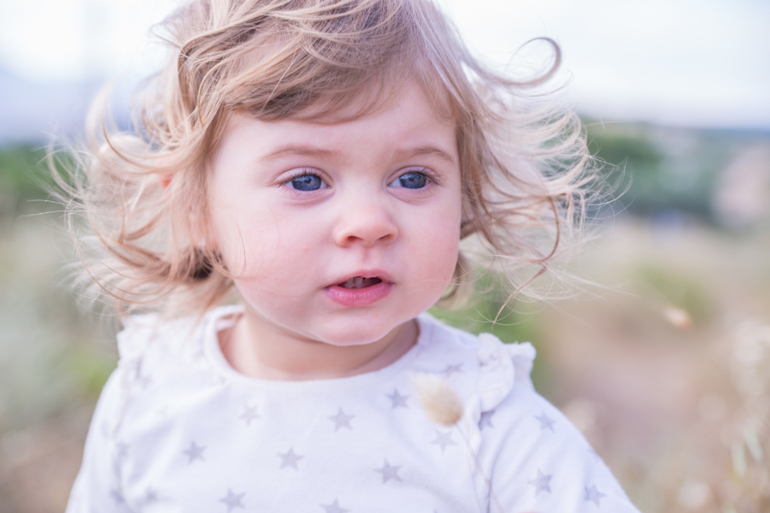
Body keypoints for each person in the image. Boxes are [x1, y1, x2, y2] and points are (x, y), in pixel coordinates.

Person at [63, 0, 640, 511]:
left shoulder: (487, 417)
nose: (369, 223)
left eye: (413, 178)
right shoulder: (151, 391)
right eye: (306, 180)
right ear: (197, 211)